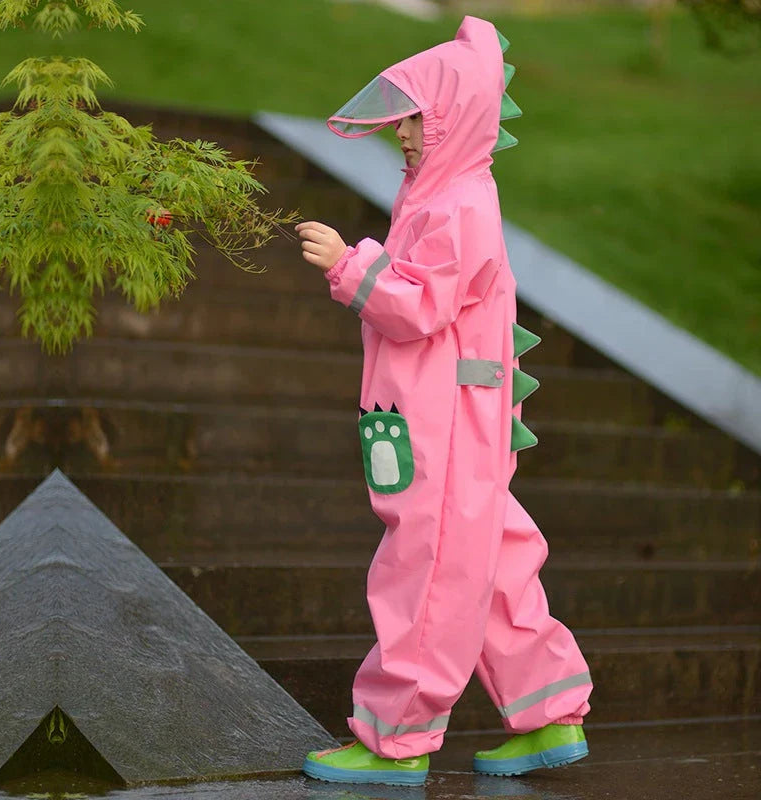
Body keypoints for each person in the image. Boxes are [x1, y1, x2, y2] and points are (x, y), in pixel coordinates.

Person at [295, 16, 592, 787]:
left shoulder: (458, 204)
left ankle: (396, 738)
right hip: (455, 413)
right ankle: (547, 708)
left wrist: (348, 262)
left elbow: (418, 305)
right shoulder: (446, 194)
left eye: (419, 122)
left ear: (456, 121)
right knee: (489, 557)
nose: (405, 135)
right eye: (403, 122)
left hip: (444, 422)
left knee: (426, 567)